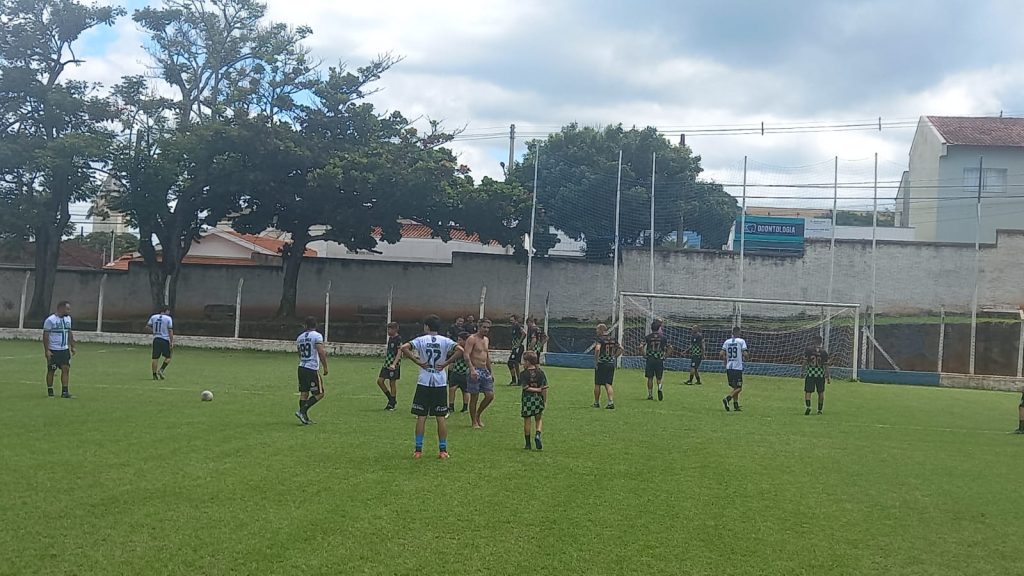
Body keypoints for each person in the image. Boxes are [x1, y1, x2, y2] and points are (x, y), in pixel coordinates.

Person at [393, 314, 456, 459]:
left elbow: (404, 347)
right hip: (440, 381)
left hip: (424, 380)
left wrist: (418, 361)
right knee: (441, 417)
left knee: (421, 416)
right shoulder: (445, 341)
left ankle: (418, 450)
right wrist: (446, 363)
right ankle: (443, 450)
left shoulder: (421, 340)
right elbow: (460, 350)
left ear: (426, 327)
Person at [295, 316, 328, 425]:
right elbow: (321, 352)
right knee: (320, 393)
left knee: (304, 393)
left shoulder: (300, 338)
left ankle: (304, 417)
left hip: (301, 367)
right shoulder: (317, 336)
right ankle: (302, 411)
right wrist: (325, 367)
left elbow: (299, 353)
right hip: (311, 368)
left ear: (305, 325)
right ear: (316, 325)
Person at [464, 318, 495, 428]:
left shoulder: (486, 340)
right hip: (474, 369)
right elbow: (466, 354)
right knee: (474, 397)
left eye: (488, 328)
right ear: (479, 327)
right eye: (484, 327)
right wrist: (472, 369)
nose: (486, 329)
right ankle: (473, 421)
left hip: (484, 370)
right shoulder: (472, 339)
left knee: (490, 395)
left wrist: (490, 372)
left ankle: (478, 414)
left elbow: (487, 356)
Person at [43, 300, 75, 398]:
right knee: (51, 370)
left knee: (66, 369)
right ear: (61, 308)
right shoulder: (50, 320)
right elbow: (45, 336)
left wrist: (72, 346)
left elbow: (69, 332)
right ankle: (50, 391)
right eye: (67, 309)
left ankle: (65, 392)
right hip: (53, 350)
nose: (69, 311)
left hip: (64, 350)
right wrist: (47, 350)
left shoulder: (68, 319)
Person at [519, 351, 548, 450]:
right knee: (538, 419)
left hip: (527, 399)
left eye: (524, 361)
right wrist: (544, 401)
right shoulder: (540, 373)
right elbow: (544, 388)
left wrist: (535, 389)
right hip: (538, 399)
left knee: (527, 420)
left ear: (528, 362)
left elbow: (525, 387)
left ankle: (528, 444)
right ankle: (538, 435)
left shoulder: (523, 374)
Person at [593, 323, 622, 409]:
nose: (596, 331)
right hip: (610, 363)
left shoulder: (600, 339)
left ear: (601, 330)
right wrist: (615, 356)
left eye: (597, 329)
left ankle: (596, 402)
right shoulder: (613, 339)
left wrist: (596, 360)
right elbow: (621, 348)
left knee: (597, 383)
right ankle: (610, 402)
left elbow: (597, 349)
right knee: (608, 384)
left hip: (602, 363)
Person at [720, 327, 748, 412]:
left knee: (735, 387)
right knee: (739, 388)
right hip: (737, 368)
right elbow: (745, 354)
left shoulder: (727, 342)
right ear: (739, 333)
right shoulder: (741, 341)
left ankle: (736, 405)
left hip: (729, 367)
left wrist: (725, 361)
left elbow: (721, 354)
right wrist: (746, 358)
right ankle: (727, 399)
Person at [642, 319, 670, 401]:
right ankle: (660, 388)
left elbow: (640, 346)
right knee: (659, 378)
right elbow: (670, 348)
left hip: (650, 359)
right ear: (658, 328)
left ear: (651, 328)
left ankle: (650, 395)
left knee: (650, 378)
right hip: (659, 359)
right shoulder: (663, 338)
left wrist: (644, 354)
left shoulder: (648, 337)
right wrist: (665, 356)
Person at [802, 335, 830, 415]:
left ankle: (808, 407)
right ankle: (819, 410)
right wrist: (828, 377)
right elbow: (826, 366)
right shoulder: (824, 352)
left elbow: (805, 361)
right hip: (820, 375)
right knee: (821, 392)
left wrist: (802, 371)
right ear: (821, 342)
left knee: (808, 391)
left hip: (810, 373)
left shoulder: (809, 350)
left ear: (813, 341)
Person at [445, 332, 471, 416]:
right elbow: (452, 362)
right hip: (456, 372)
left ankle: (465, 407)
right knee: (452, 389)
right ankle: (451, 406)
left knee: (465, 391)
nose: (458, 342)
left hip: (465, 373)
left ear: (465, 340)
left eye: (460, 340)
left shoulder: (469, 350)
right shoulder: (457, 349)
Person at [377, 322, 402, 411]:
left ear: (395, 329)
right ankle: (391, 399)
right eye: (388, 329)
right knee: (380, 381)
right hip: (387, 363)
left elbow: (399, 352)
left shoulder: (398, 339)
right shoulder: (390, 338)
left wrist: (394, 364)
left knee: (392, 383)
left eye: (390, 329)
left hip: (393, 364)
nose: (388, 331)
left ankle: (392, 403)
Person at [146, 306, 174, 380]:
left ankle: (154, 375)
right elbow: (170, 330)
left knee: (155, 358)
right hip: (164, 339)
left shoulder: (153, 317)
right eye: (168, 311)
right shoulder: (168, 318)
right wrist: (171, 342)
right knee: (168, 357)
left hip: (156, 339)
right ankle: (161, 370)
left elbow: (147, 327)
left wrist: (154, 331)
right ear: (166, 311)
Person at [507, 314, 526, 386]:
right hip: (515, 347)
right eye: (510, 320)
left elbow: (524, 333)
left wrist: (519, 343)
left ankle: (514, 380)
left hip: (518, 347)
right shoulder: (513, 327)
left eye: (512, 320)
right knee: (516, 363)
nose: (511, 321)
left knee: (510, 363)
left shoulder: (517, 326)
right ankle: (519, 380)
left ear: (516, 320)